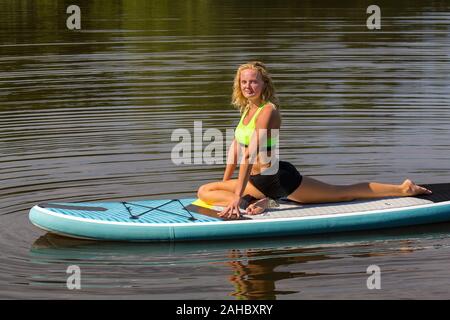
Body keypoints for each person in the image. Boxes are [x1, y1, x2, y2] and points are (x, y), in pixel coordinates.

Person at [197, 61, 432, 219]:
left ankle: (404, 188)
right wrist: (225, 182)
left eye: (253, 81)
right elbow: (236, 150)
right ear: (239, 85)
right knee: (206, 190)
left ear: (263, 84)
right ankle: (264, 201)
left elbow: (249, 154)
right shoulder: (246, 110)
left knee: (343, 194)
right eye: (244, 82)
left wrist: (235, 197)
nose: (248, 86)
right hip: (261, 180)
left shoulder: (267, 111)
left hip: (275, 178)